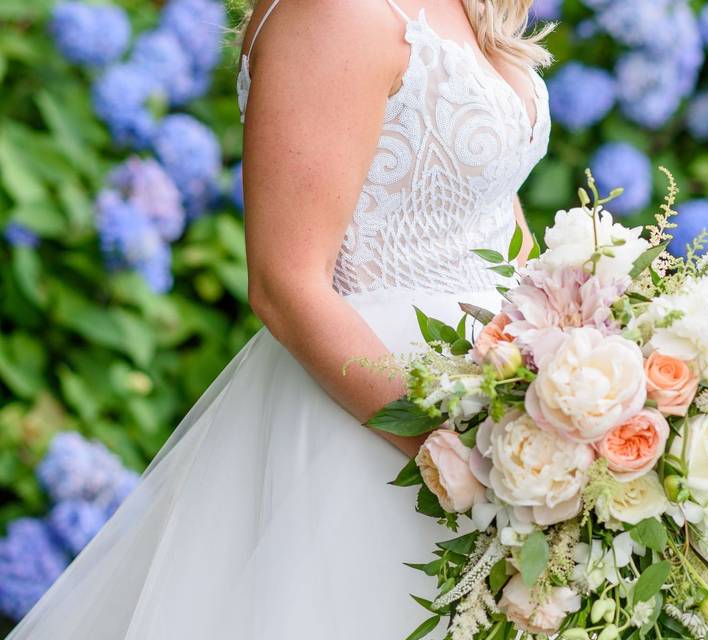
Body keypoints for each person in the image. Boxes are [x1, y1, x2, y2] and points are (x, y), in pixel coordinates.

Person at [7, 1, 552, 637]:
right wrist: (457, 462)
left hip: (506, 410)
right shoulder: (330, 13)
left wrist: (576, 359)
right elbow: (286, 285)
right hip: (382, 426)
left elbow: (495, 219)